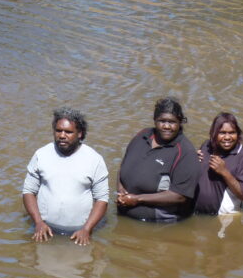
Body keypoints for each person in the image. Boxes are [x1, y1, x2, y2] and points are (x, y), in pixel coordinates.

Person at [22, 107, 110, 246]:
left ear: (80, 133)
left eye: (68, 132)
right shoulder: (41, 155)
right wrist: (38, 222)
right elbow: (28, 191)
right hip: (45, 231)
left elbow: (102, 199)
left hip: (79, 234)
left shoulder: (94, 160)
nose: (62, 135)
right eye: (58, 131)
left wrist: (86, 229)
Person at [117, 97, 200, 223]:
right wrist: (120, 189)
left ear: (180, 122)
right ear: (155, 120)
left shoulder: (185, 152)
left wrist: (137, 199)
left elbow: (180, 196)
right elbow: (123, 165)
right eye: (162, 121)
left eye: (172, 122)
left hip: (157, 224)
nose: (166, 126)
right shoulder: (142, 135)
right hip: (124, 214)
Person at [194, 112, 243, 215]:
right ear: (214, 134)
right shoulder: (207, 146)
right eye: (222, 133)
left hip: (222, 220)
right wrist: (192, 161)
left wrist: (224, 172)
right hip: (196, 213)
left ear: (238, 134)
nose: (227, 137)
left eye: (232, 133)